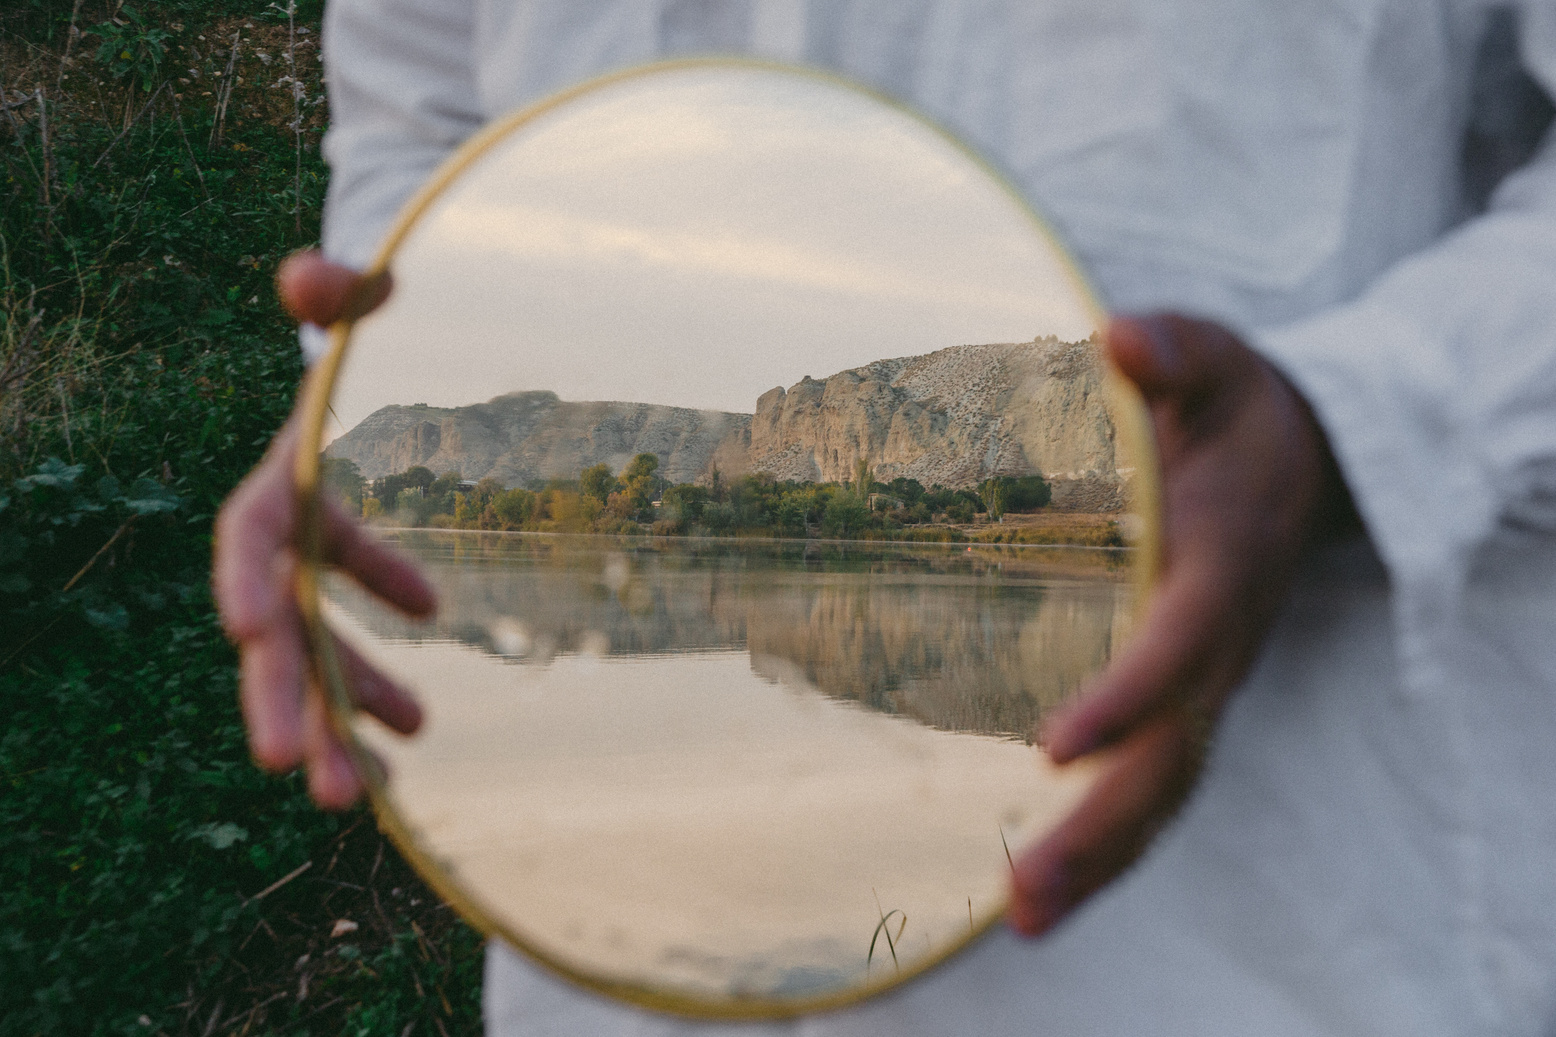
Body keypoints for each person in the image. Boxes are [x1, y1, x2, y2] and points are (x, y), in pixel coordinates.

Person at [214, 1, 1556, 1034]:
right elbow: (423, 109)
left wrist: (1353, 421)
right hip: (622, 956)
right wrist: (378, 404)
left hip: (1272, 939)